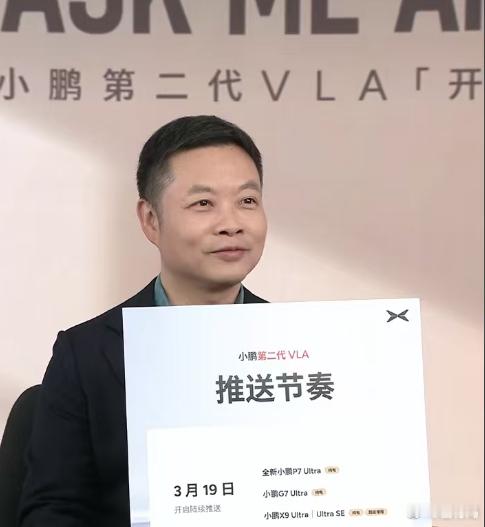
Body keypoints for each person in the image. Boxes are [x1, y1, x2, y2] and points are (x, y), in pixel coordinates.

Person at [18, 115, 268, 526]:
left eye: (247, 201)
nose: (232, 224)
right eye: (203, 203)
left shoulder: (305, 344)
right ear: (151, 220)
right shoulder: (85, 355)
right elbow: (53, 510)